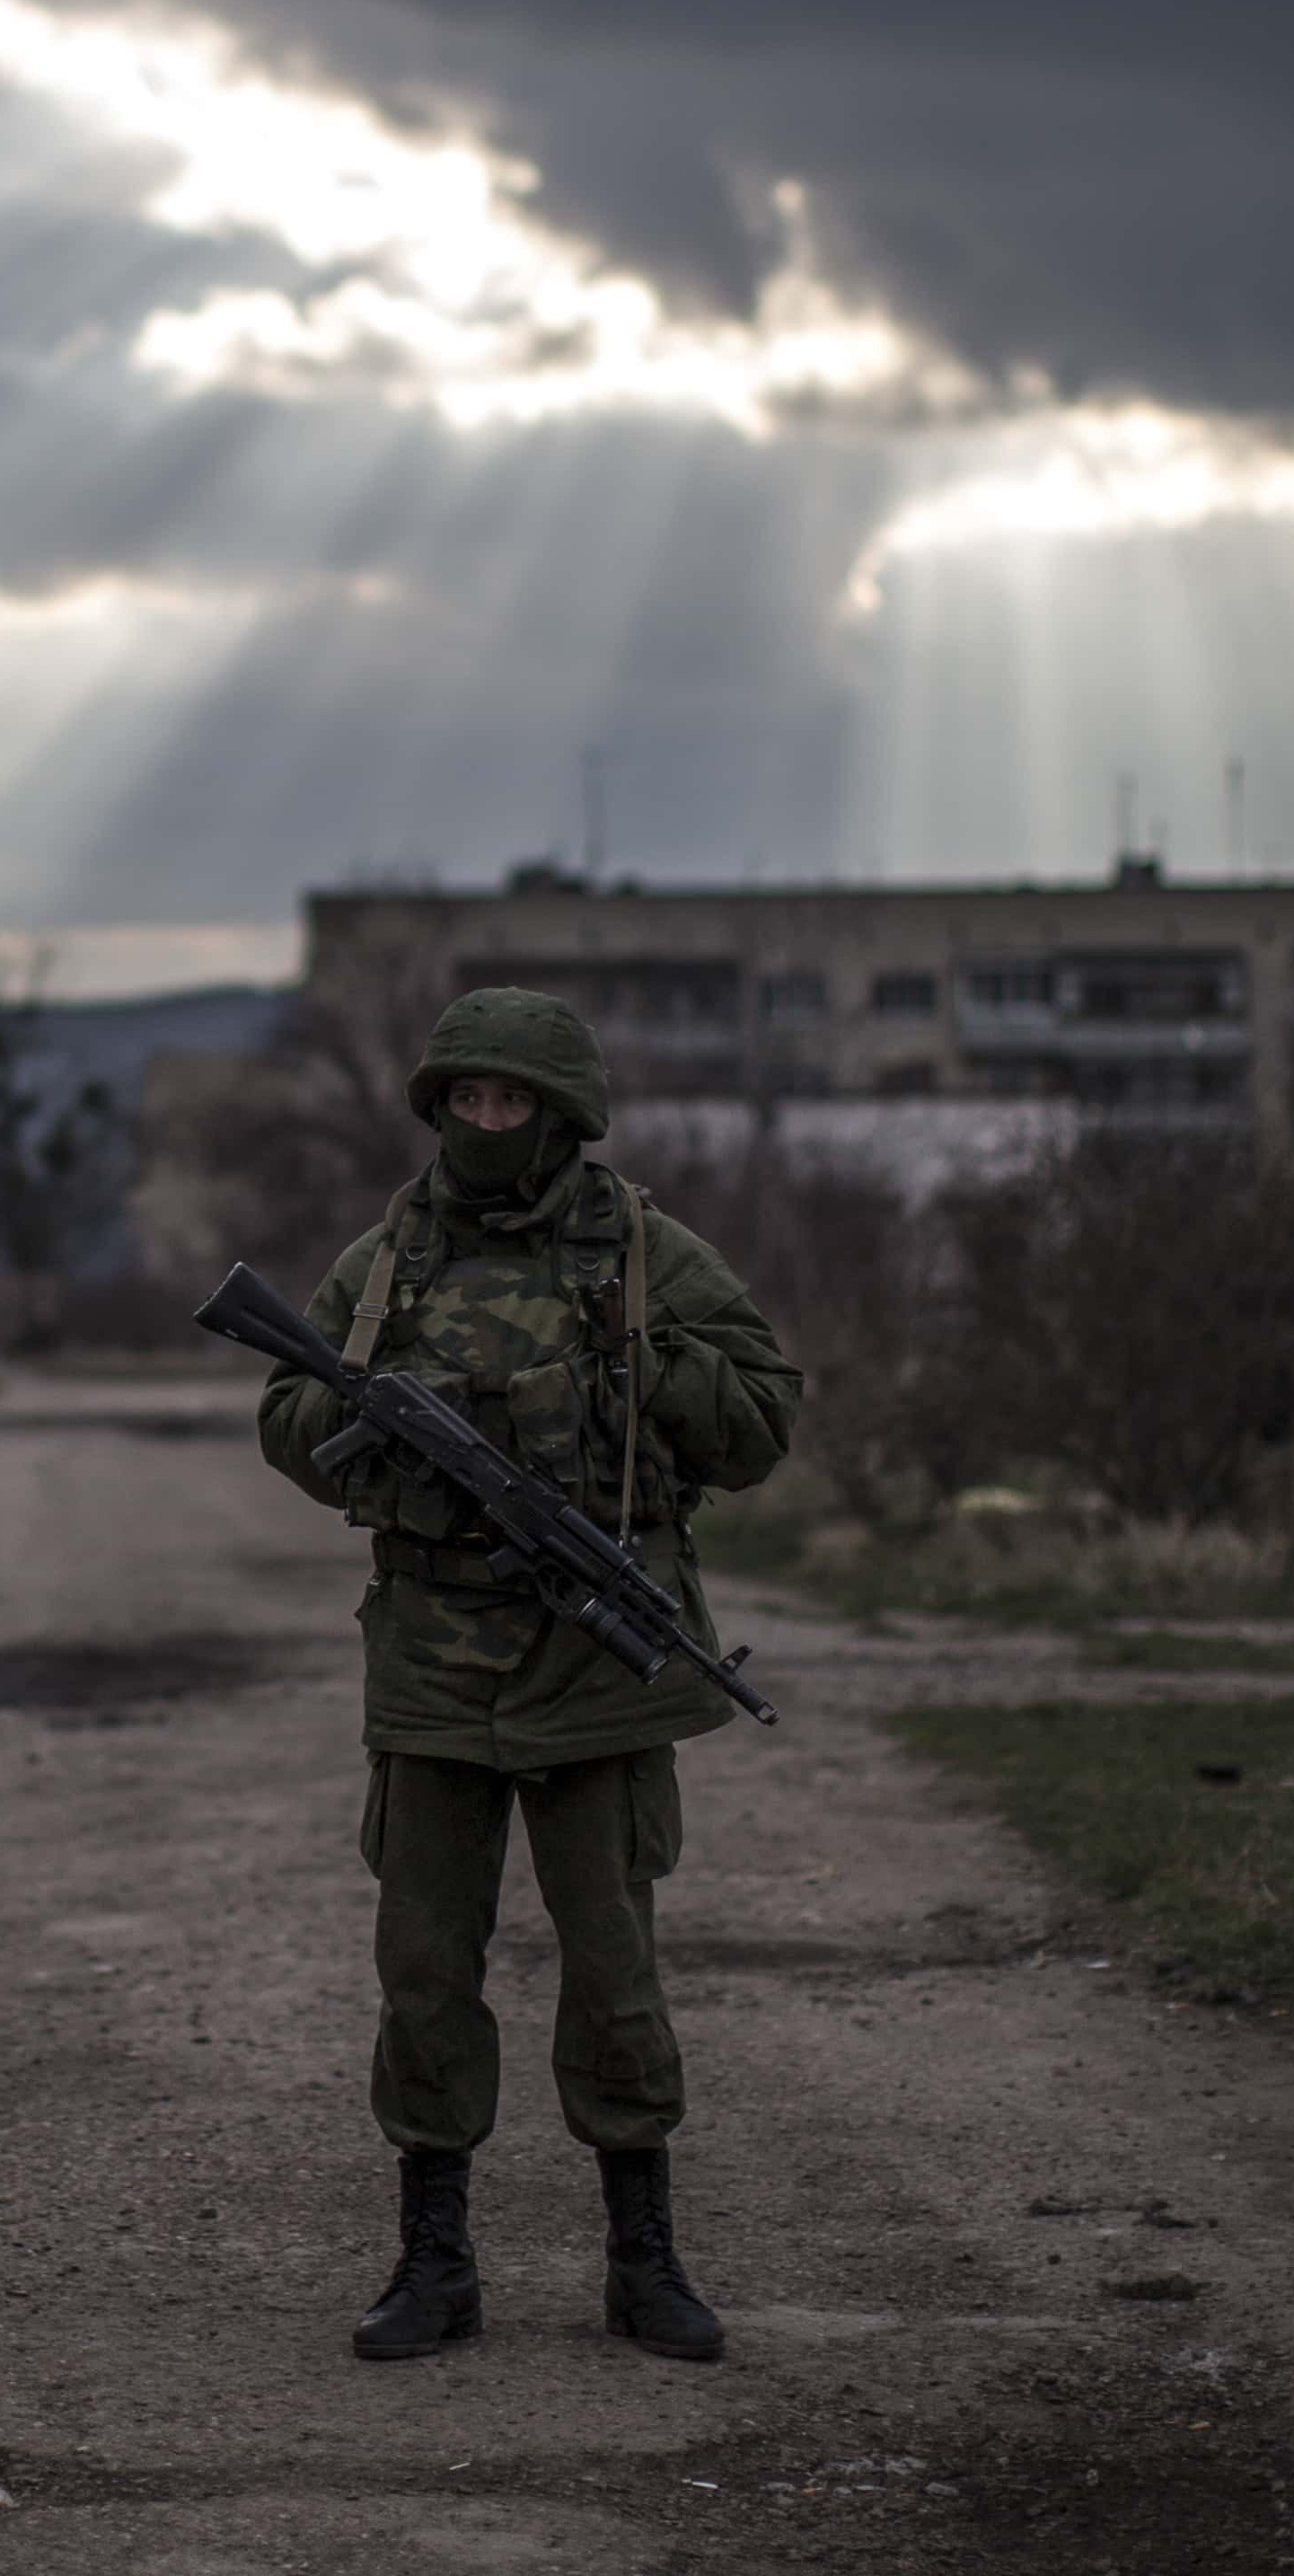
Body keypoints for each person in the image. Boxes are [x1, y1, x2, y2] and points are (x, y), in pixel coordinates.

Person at [251, 987, 804, 2366]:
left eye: (513, 1105)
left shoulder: (646, 1254)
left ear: (562, 1120)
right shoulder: (386, 1263)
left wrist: (647, 1359)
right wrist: (362, 1409)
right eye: (468, 1103)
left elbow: (760, 1426)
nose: (488, 1126)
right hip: (434, 1665)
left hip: (599, 1664)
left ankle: (644, 2259)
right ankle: (433, 2262)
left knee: (614, 1974)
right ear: (440, 1110)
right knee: (425, 1973)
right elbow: (284, 1421)